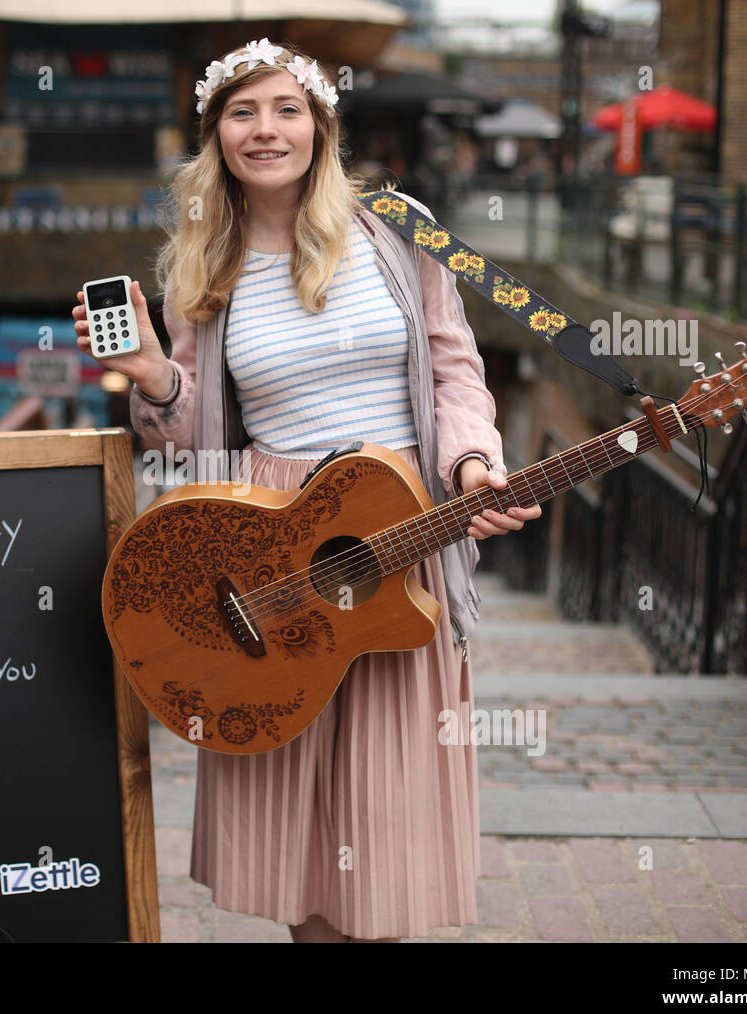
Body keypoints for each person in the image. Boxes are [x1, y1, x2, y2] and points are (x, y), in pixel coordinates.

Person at [72, 39, 541, 942]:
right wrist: (152, 377)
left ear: (319, 126)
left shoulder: (400, 229)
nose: (265, 130)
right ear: (216, 136)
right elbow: (191, 425)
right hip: (272, 538)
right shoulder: (203, 267)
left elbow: (455, 370)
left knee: (386, 799)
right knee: (300, 812)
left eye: (285, 109)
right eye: (242, 113)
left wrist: (473, 465)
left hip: (400, 519)